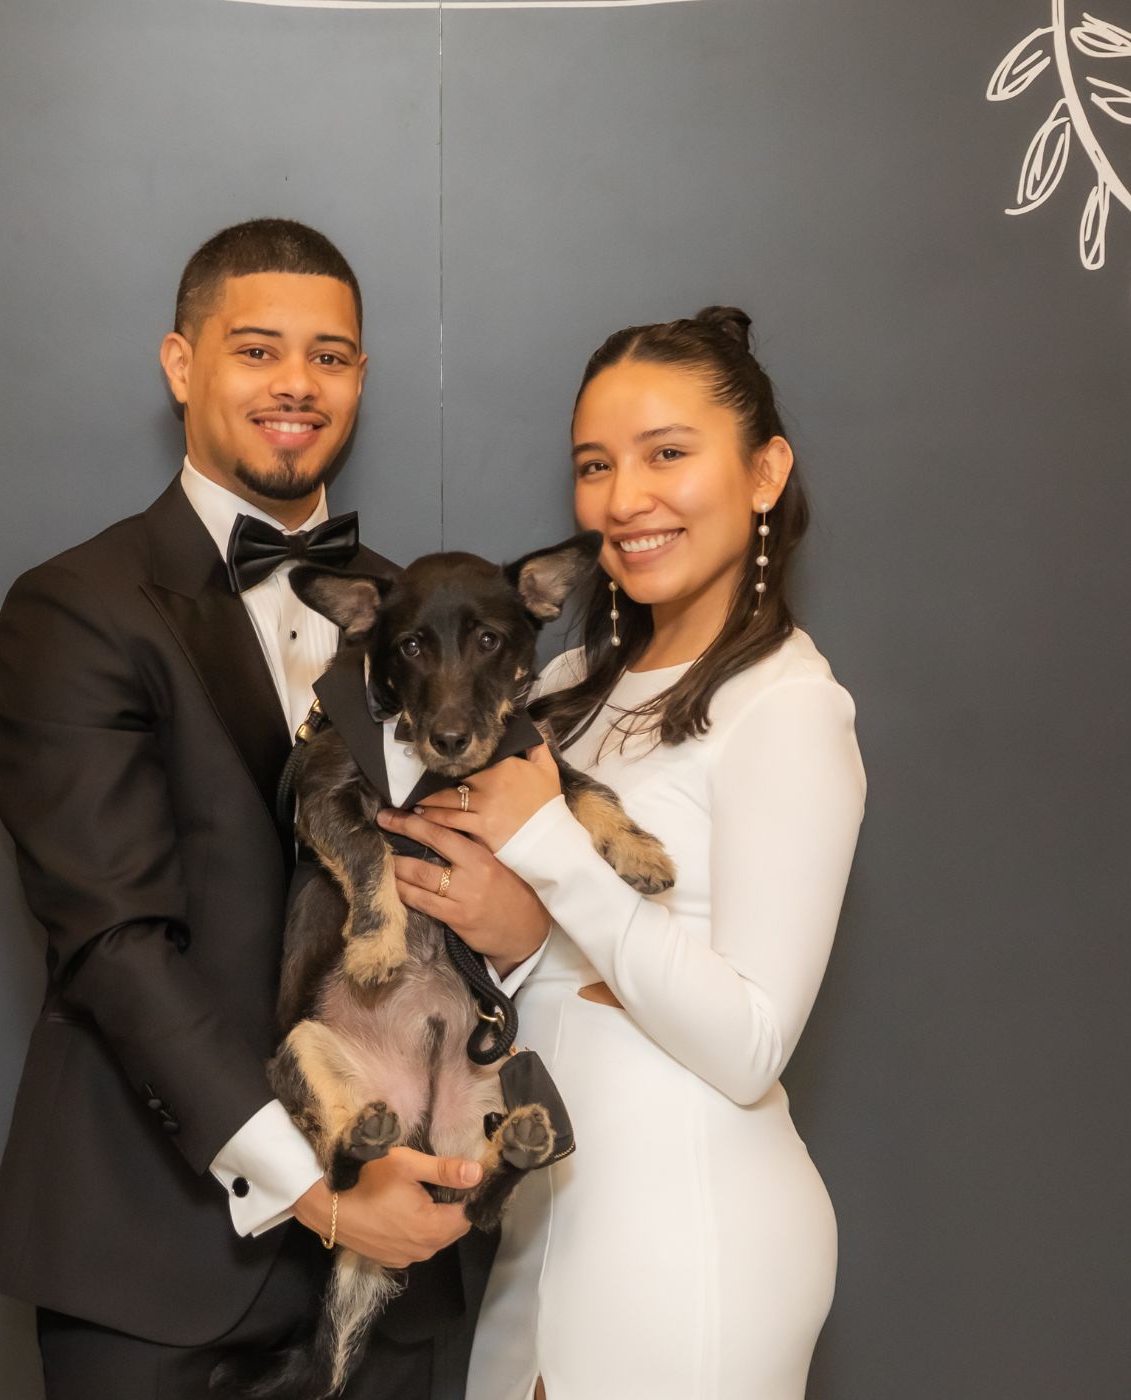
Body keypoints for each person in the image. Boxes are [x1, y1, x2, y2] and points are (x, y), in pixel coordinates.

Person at [0, 219, 543, 1398]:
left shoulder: (433, 612)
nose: (296, 383)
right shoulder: (77, 608)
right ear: (181, 363)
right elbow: (113, 944)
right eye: (257, 349)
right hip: (157, 1262)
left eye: (329, 355)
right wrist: (322, 1188)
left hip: (407, 1264)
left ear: (362, 380)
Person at [380, 308, 866, 1399]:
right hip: (542, 1230)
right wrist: (538, 947)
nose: (622, 498)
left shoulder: (786, 708)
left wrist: (550, 853)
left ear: (763, 472)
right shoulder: (557, 692)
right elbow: (529, 959)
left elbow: (745, 1041)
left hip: (691, 1241)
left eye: (666, 454)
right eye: (594, 465)